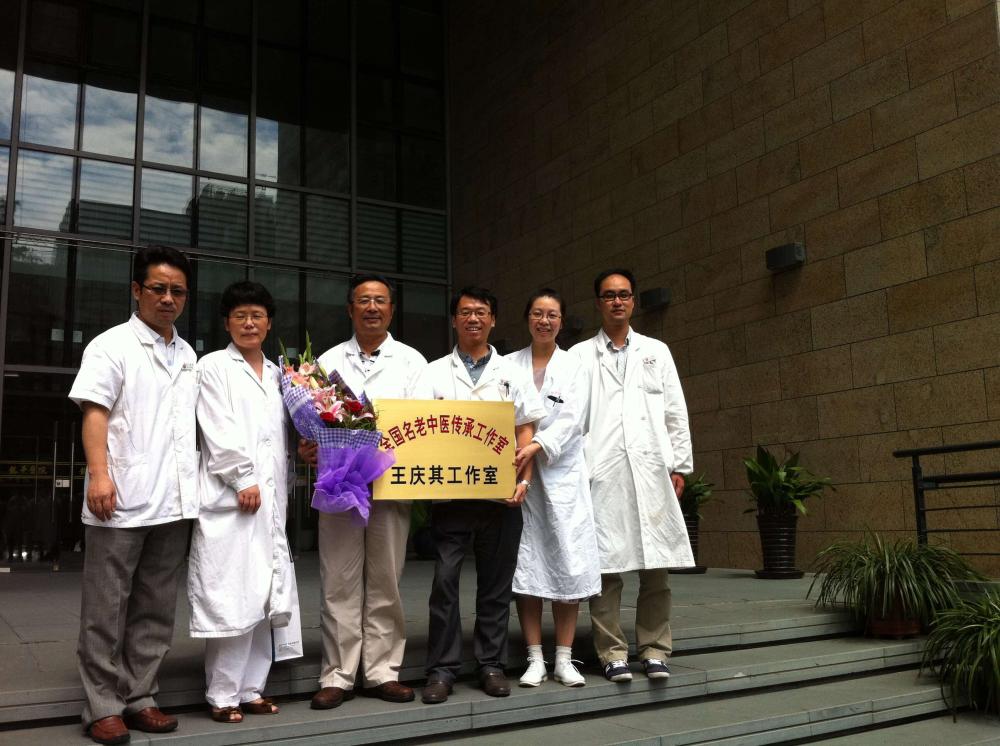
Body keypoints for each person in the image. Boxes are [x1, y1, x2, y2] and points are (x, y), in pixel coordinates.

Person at [69, 246, 198, 745]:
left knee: (155, 608)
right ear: (137, 290)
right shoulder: (111, 346)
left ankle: (140, 696)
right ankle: (102, 705)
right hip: (119, 497)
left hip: (173, 499)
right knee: (106, 609)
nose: (168, 299)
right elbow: (94, 413)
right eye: (158, 289)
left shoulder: (187, 354)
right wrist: (99, 474)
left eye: (177, 291)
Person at [416, 287, 546, 705]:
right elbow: (418, 430)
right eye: (466, 312)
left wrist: (524, 481)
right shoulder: (433, 373)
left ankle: (491, 664)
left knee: (496, 584)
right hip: (450, 499)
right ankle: (442, 670)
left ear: (493, 320)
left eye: (481, 312)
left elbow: (524, 430)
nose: (473, 318)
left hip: (501, 499)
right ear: (454, 320)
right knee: (445, 582)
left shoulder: (512, 372)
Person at [304, 274, 427, 709]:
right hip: (340, 484)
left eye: (380, 301)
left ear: (391, 309)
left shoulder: (412, 362)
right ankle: (338, 675)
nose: (372, 308)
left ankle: (381, 671)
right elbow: (313, 422)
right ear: (350, 309)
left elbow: (422, 425)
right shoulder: (327, 360)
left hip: (391, 486)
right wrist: (309, 445)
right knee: (338, 578)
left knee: (385, 580)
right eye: (363, 301)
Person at [570, 268, 694, 683]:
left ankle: (655, 649)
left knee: (656, 566)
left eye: (623, 294)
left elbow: (675, 411)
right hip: (602, 471)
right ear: (598, 303)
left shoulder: (657, 351)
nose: (617, 301)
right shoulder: (580, 356)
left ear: (633, 301)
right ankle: (611, 652)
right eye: (609, 295)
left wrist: (680, 465)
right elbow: (571, 417)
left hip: (651, 469)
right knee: (606, 568)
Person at [187, 281, 298, 723]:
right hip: (234, 497)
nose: (249, 323)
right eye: (240, 316)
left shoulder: (279, 374)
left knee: (265, 593)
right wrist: (242, 477)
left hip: (271, 499)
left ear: (269, 324)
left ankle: (252, 688)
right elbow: (217, 427)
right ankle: (222, 694)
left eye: (257, 316)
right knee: (233, 594)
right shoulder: (214, 367)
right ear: (227, 323)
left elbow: (283, 433)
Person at [506, 289, 602, 688]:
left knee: (568, 563)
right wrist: (523, 451)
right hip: (519, 474)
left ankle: (564, 658)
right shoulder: (508, 364)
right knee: (527, 566)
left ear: (561, 321)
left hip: (562, 475)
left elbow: (574, 418)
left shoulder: (575, 365)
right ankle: (534, 658)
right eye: (537, 313)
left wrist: (538, 444)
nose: (544, 321)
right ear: (527, 318)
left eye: (552, 315)